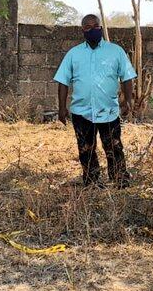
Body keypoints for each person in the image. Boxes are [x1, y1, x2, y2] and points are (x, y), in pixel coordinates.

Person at [54, 14, 137, 187]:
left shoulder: (115, 51)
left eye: (96, 26)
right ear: (82, 30)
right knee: (86, 149)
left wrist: (128, 100)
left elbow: (127, 77)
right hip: (81, 112)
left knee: (114, 148)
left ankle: (119, 179)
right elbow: (63, 81)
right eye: (88, 27)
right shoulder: (73, 54)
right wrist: (62, 108)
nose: (93, 30)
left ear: (101, 27)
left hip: (108, 111)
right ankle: (92, 181)